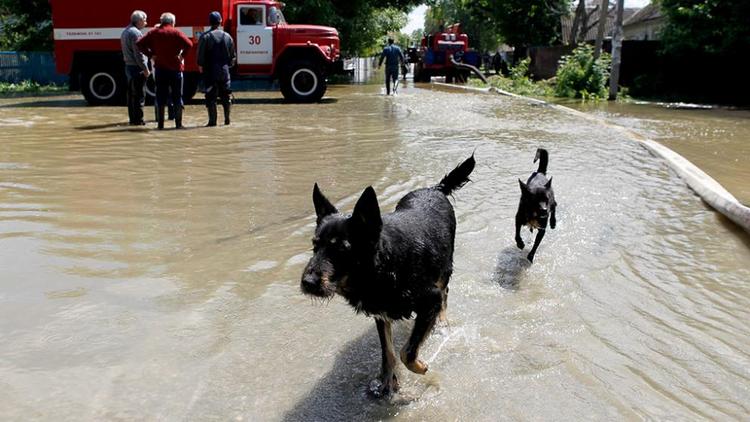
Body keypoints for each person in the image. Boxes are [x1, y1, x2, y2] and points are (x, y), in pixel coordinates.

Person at [137, 12, 193, 129]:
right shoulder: (176, 32)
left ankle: (160, 125)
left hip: (161, 70)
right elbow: (189, 44)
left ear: (161, 21)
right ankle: (178, 125)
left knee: (160, 97)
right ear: (172, 22)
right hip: (175, 70)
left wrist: (151, 54)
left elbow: (139, 44)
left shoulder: (154, 32)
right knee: (177, 97)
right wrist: (182, 56)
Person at [197, 11, 235, 126]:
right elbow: (233, 57)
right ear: (220, 21)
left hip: (210, 72)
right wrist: (227, 67)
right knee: (226, 96)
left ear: (209, 22)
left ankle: (212, 122)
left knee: (211, 97)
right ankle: (227, 120)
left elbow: (200, 57)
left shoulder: (205, 37)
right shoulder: (228, 37)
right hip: (224, 72)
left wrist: (201, 66)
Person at [120, 10, 149, 126]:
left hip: (129, 67)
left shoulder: (125, 31)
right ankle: (139, 121)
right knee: (139, 96)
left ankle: (133, 119)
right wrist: (145, 69)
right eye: (145, 20)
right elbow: (139, 54)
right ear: (140, 20)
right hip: (137, 68)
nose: (146, 22)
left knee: (132, 96)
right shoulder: (136, 33)